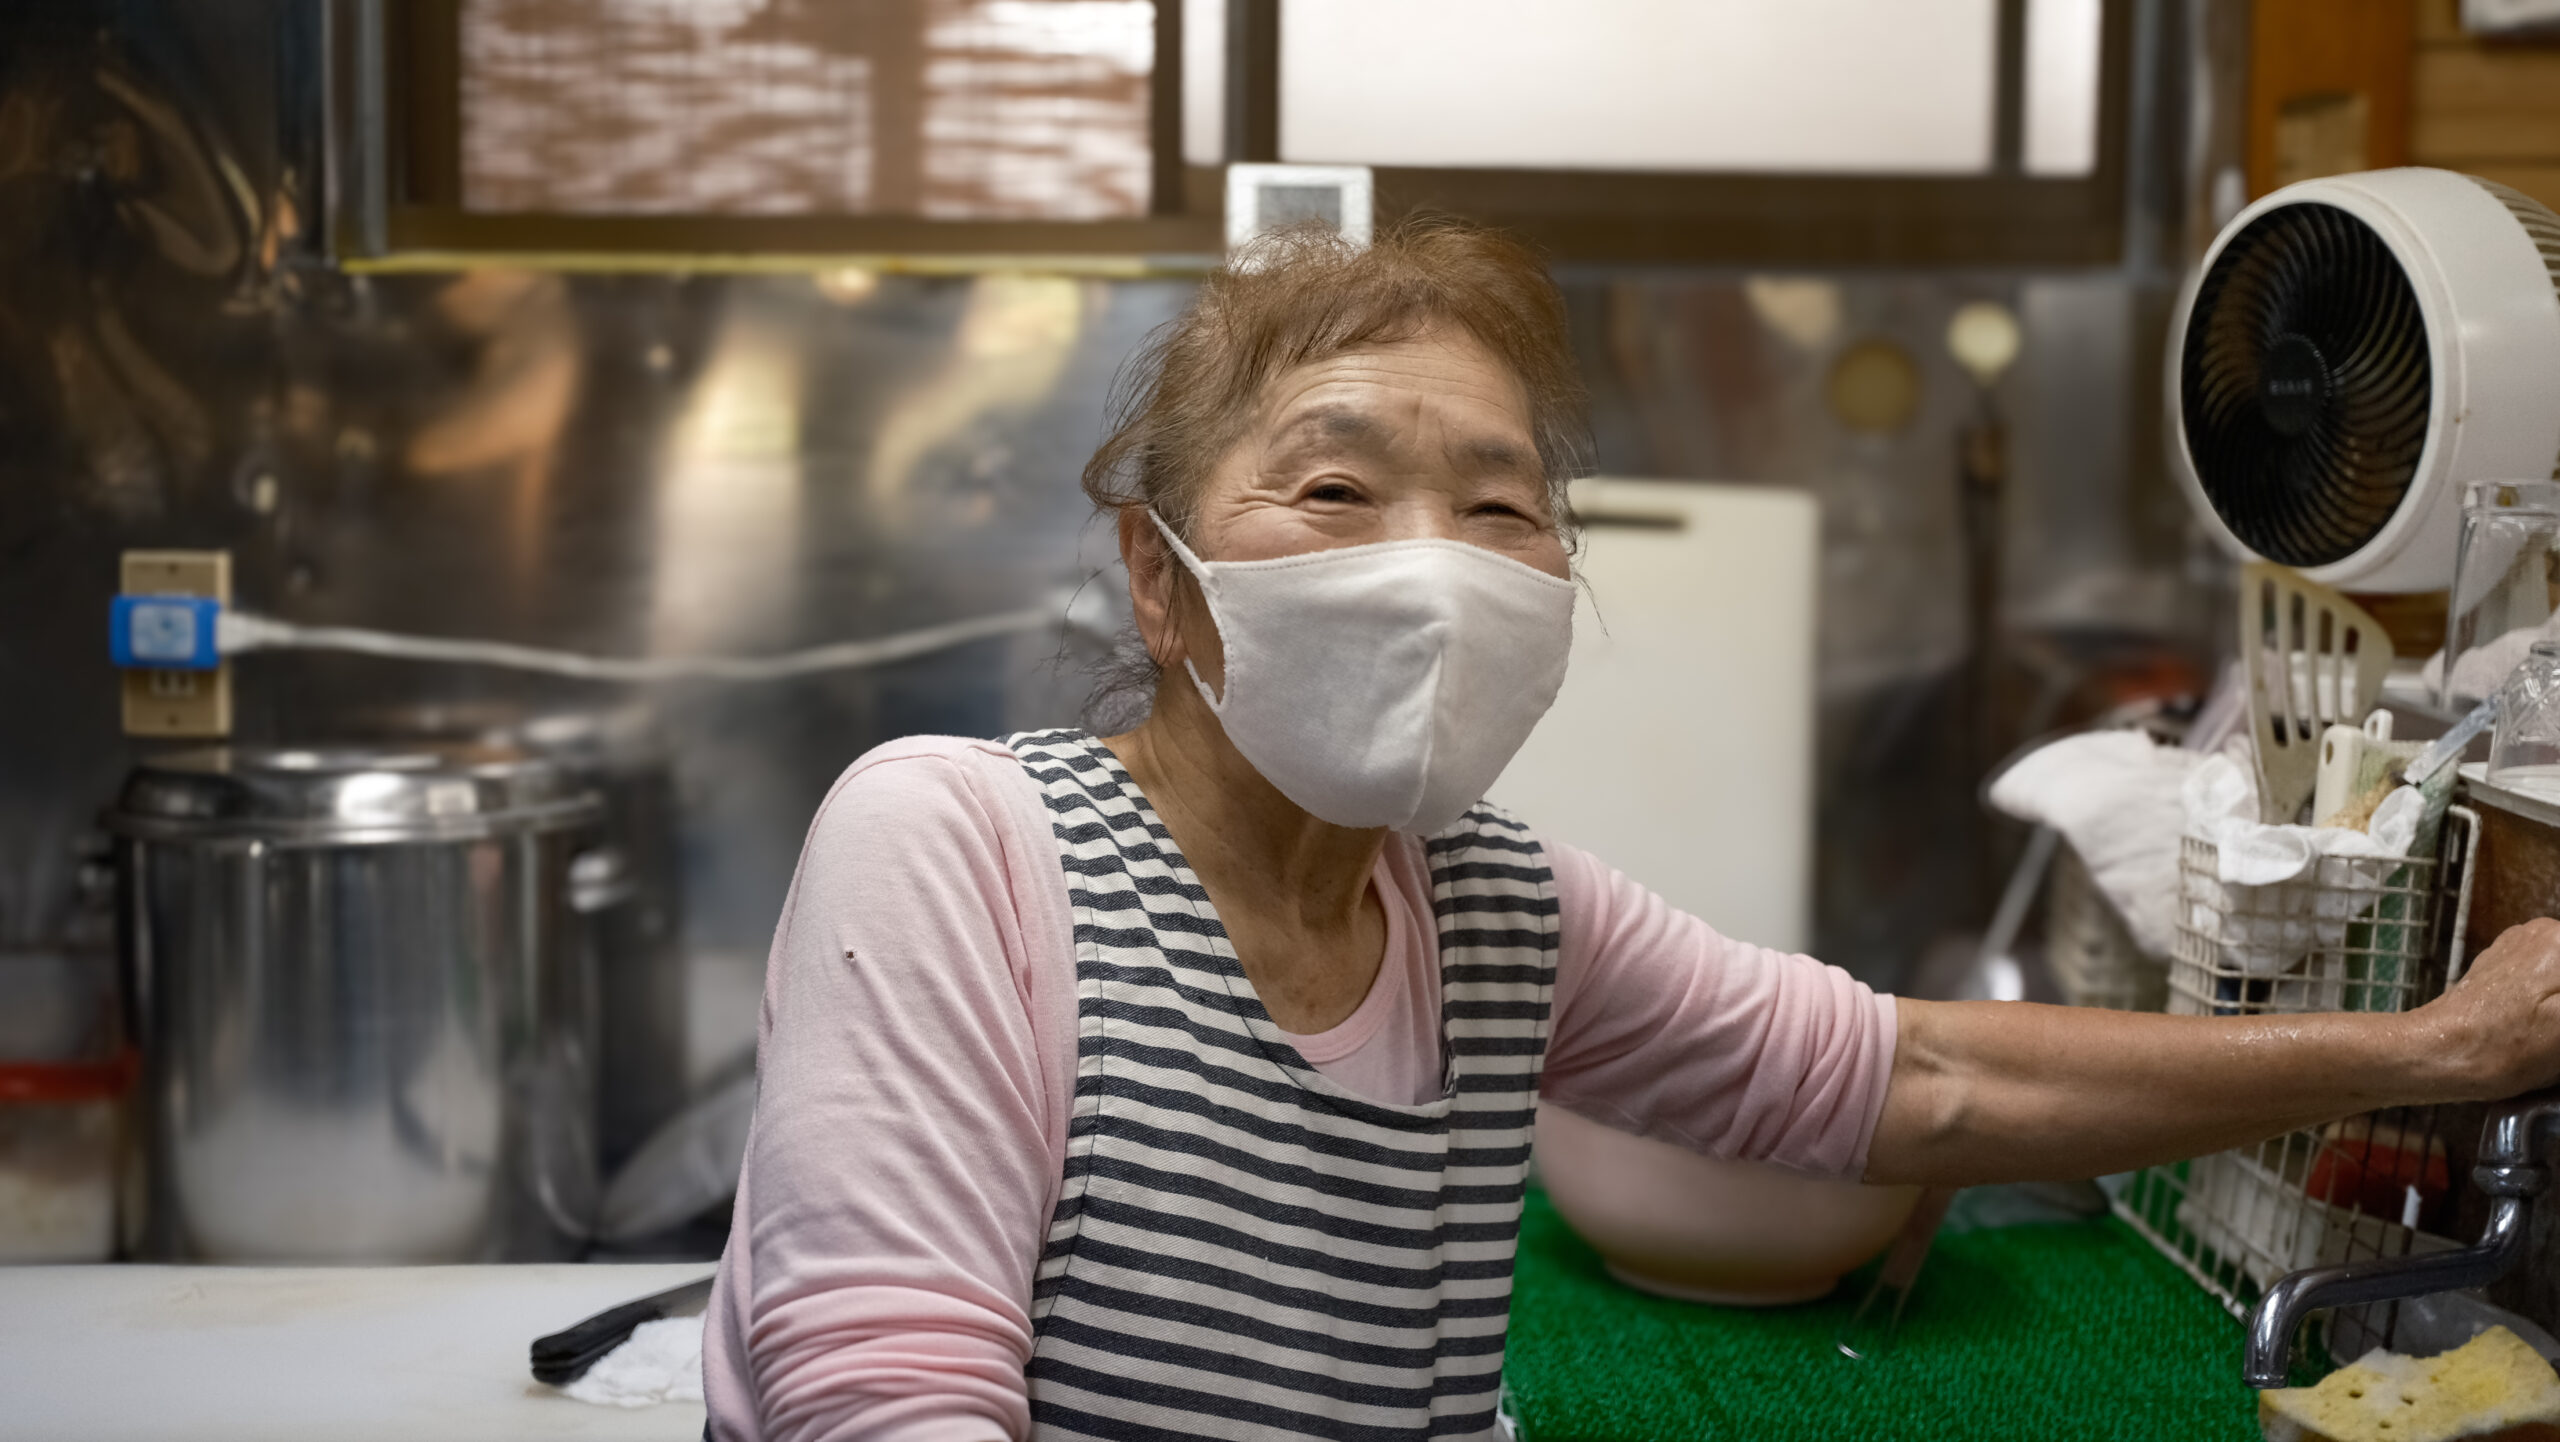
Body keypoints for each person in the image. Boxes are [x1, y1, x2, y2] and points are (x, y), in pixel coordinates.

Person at [703, 219, 2560, 1442]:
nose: (1429, 563)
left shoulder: (1493, 913)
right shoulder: (958, 845)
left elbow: (1923, 1086)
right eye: (1336, 484)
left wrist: (2431, 1047)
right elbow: (885, 1398)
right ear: (1163, 580)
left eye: (1498, 506)